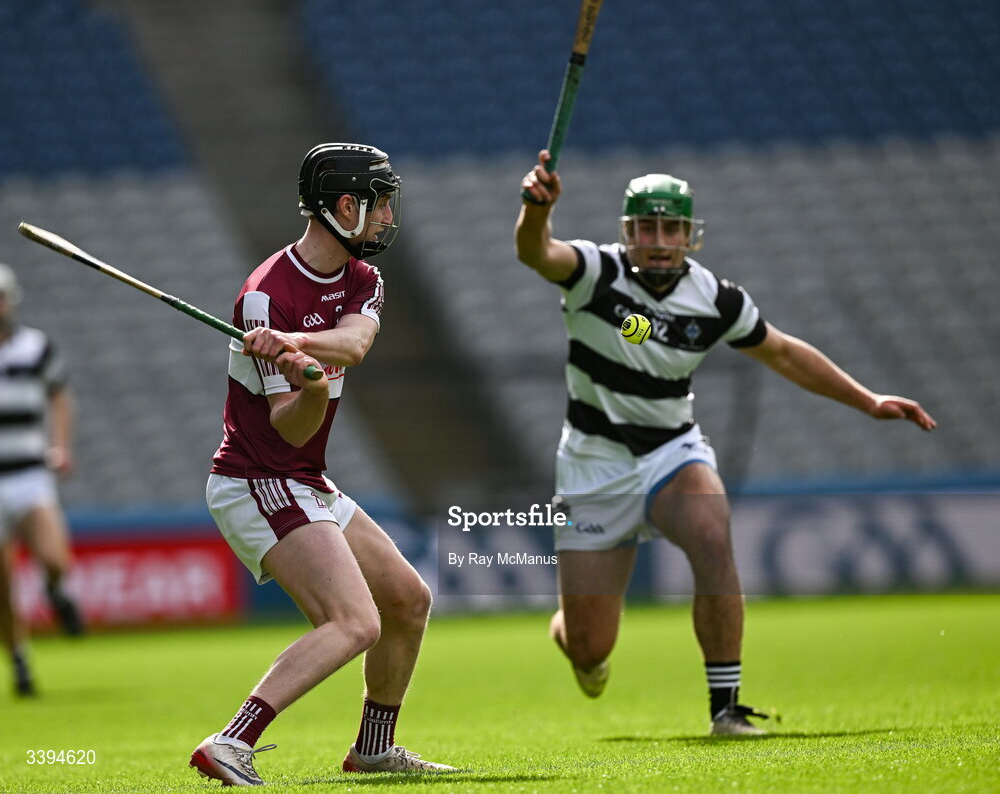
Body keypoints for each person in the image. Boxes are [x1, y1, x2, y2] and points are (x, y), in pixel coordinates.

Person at [515, 150, 937, 735]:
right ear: (627, 233)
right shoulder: (594, 272)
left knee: (713, 538)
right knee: (588, 646)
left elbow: (784, 352)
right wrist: (536, 213)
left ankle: (726, 709)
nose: (660, 240)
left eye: (672, 228)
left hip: (673, 450)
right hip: (593, 462)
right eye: (647, 228)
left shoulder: (715, 299)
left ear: (691, 235)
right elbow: (535, 252)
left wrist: (867, 400)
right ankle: (573, 631)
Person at [189, 143, 455, 786]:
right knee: (355, 621)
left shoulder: (364, 279)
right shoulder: (262, 298)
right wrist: (306, 384)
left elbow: (357, 343)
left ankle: (373, 751)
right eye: (381, 203)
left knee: (407, 599)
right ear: (345, 207)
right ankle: (230, 742)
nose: (390, 216)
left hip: (305, 478)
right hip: (256, 478)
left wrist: (300, 347)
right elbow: (287, 425)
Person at [0, 260, 84, 697]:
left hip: (27, 472)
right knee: (1, 582)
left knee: (54, 559)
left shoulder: (36, 347)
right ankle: (19, 661)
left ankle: (57, 592)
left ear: (10, 300)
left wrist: (60, 446)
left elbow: (60, 399)